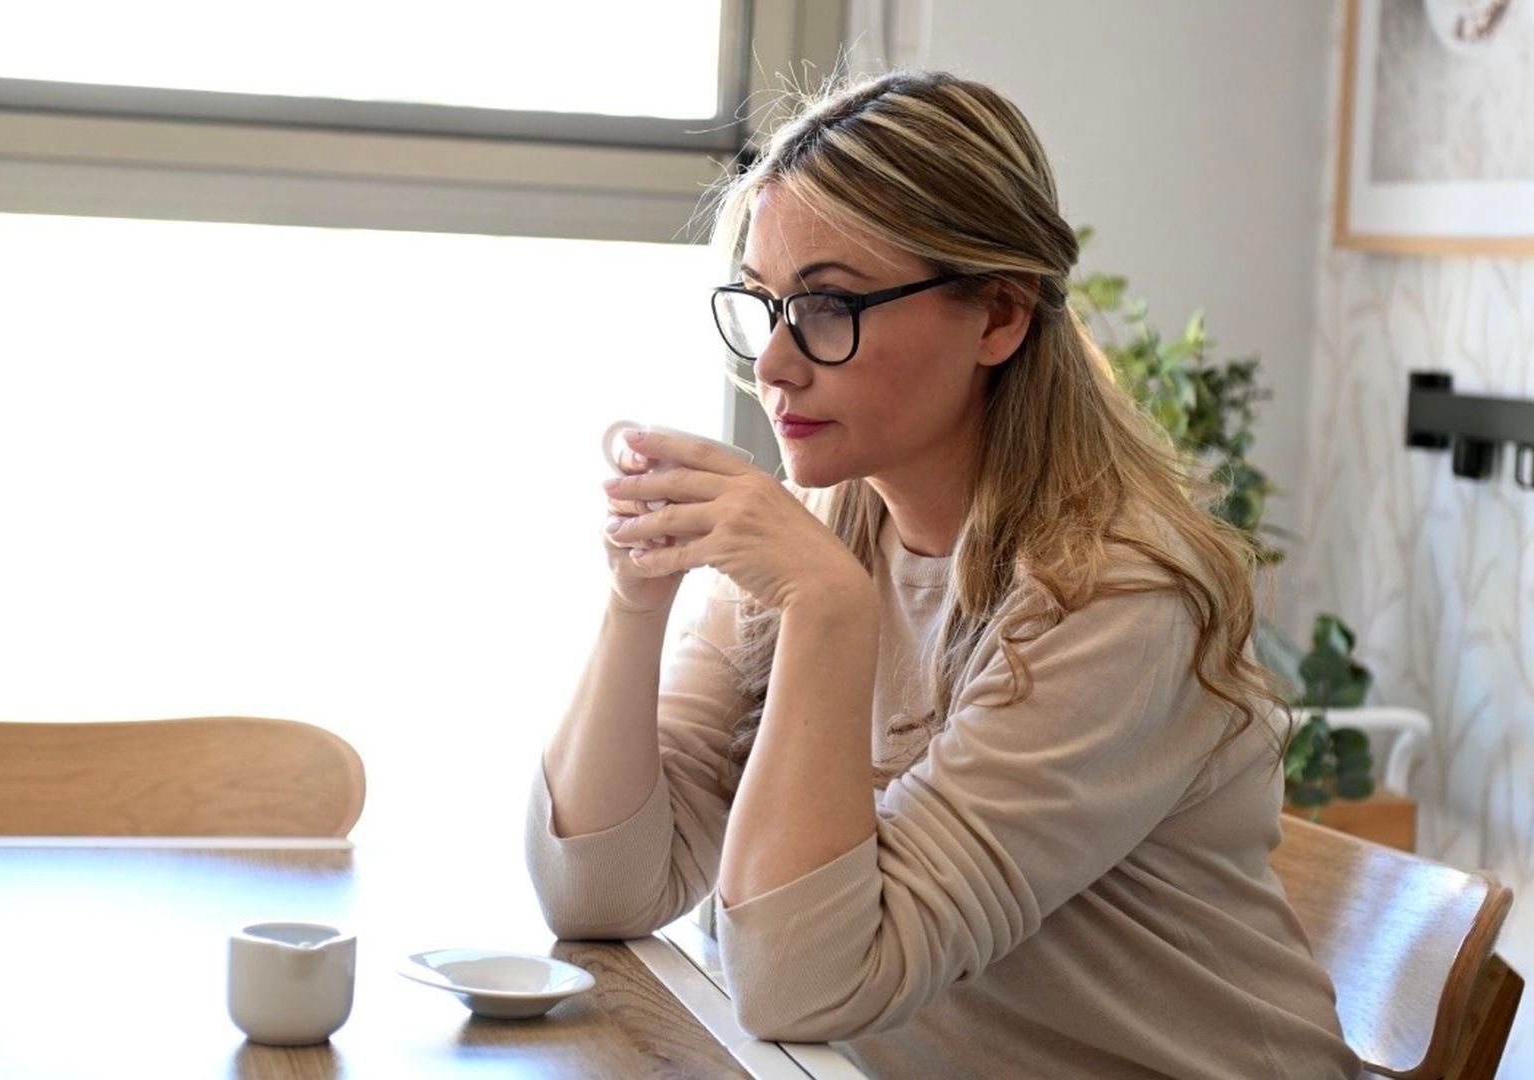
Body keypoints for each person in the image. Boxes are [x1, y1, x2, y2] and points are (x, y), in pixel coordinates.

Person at [526, 69, 1361, 1080]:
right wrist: (636, 599)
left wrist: (830, 613)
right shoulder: (827, 536)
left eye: (827, 305)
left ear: (998, 317)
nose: (775, 363)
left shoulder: (1120, 601)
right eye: (765, 305)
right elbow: (598, 891)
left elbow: (801, 985)